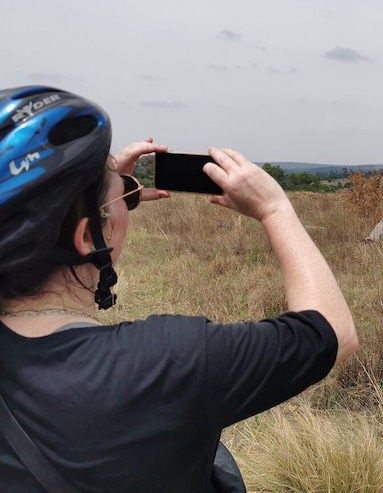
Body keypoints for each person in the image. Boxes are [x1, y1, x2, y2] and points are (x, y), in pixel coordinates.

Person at [0, 85, 359, 492]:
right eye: (119, 194)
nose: (126, 196)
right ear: (86, 238)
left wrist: (99, 189)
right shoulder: (170, 361)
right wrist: (275, 209)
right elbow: (333, 331)